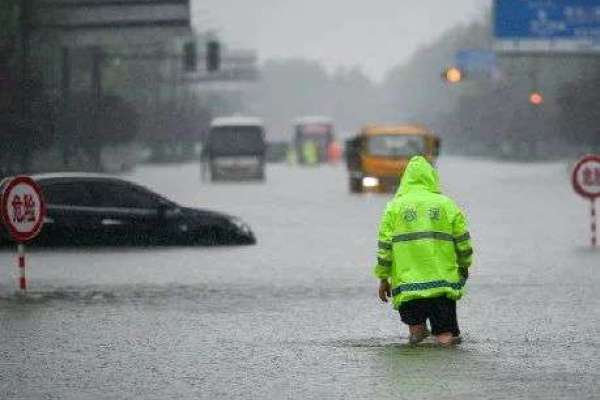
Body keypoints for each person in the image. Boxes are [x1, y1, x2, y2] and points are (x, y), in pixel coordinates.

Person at [373, 155, 473, 345]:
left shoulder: (394, 208)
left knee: (416, 336)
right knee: (445, 337)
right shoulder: (446, 205)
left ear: (405, 179)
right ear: (431, 177)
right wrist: (464, 264)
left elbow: (385, 247)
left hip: (408, 286)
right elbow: (463, 241)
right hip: (442, 286)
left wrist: (383, 278)